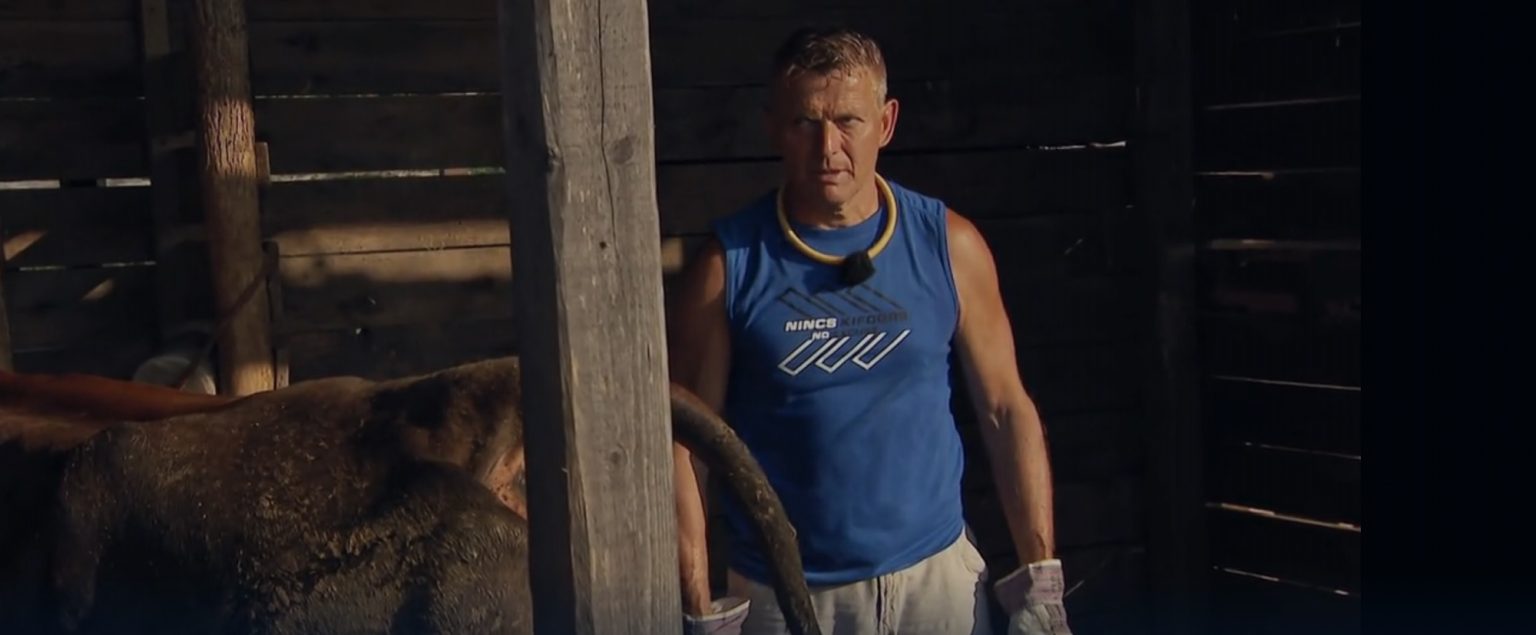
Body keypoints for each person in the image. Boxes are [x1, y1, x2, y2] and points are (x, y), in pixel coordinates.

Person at [671, 26, 1072, 635]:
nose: (828, 147)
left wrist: (1041, 582)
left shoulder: (949, 245)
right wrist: (699, 605)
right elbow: (687, 447)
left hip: (936, 585)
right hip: (787, 595)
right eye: (805, 122)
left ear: (885, 124)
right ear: (773, 128)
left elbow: (1004, 407)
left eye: (848, 122)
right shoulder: (727, 268)